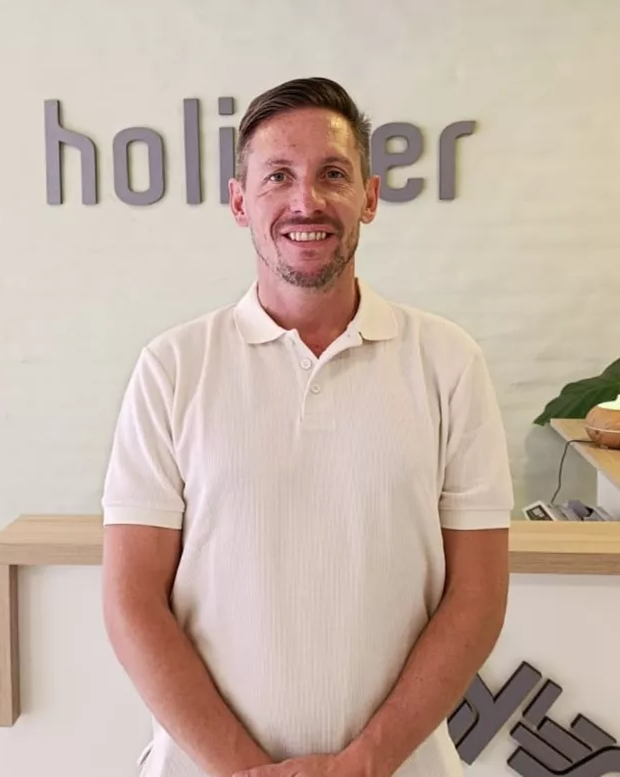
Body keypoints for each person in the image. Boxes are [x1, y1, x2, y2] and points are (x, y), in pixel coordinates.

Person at [100, 76, 514, 777]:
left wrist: (366, 762)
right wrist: (245, 769)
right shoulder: (173, 367)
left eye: (332, 175)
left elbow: (477, 596)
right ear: (239, 202)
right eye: (278, 177)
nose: (306, 201)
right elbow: (130, 601)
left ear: (370, 197)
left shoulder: (447, 361)